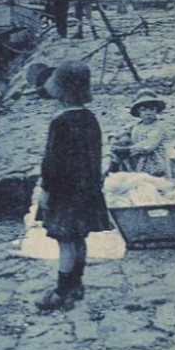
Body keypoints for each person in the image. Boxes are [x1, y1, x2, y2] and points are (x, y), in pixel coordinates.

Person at [35, 60, 112, 311]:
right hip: (86, 190)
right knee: (79, 238)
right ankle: (77, 284)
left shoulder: (60, 122)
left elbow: (52, 162)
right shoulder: (91, 119)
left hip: (64, 193)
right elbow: (94, 158)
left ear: (60, 91)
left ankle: (61, 292)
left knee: (65, 241)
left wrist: (45, 191)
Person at [110, 90, 169, 177]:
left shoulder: (158, 127)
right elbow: (121, 132)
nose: (148, 113)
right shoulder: (137, 125)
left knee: (151, 184)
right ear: (139, 112)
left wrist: (126, 150)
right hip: (137, 161)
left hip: (154, 163)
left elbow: (148, 146)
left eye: (152, 109)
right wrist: (113, 139)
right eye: (144, 110)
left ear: (156, 111)